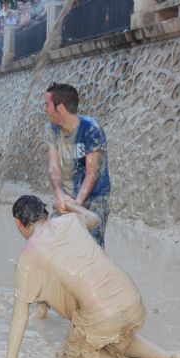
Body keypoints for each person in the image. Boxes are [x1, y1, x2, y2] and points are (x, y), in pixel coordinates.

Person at [6, 195, 180, 358]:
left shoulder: (28, 256)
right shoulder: (68, 220)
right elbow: (95, 219)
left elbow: (20, 316)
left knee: (71, 353)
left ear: (18, 224)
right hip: (131, 299)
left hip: (102, 314)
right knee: (117, 339)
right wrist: (72, 206)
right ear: (46, 214)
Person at [43, 83, 110, 248]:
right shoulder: (51, 129)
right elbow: (54, 167)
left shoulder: (91, 129)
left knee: (92, 249)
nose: (44, 109)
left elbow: (91, 174)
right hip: (67, 197)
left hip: (94, 197)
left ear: (60, 108)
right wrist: (59, 194)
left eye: (47, 104)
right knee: (52, 243)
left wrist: (76, 205)